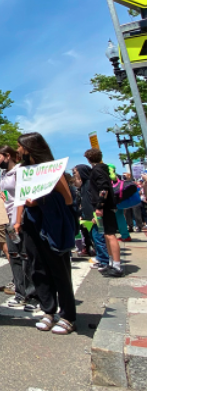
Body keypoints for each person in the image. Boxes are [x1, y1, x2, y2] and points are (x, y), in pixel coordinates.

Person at [18, 132, 77, 335]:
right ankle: (48, 310)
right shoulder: (25, 171)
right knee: (38, 268)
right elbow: (22, 198)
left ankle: (68, 315)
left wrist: (42, 198)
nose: (18, 151)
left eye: (20, 147)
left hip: (51, 224)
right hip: (32, 224)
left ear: (29, 148)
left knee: (59, 269)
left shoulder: (52, 170)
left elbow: (68, 199)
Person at [0, 145, 37, 311]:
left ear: (7, 156)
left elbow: (23, 196)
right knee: (14, 256)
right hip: (7, 221)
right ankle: (20, 293)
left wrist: (18, 220)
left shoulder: (20, 172)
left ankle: (32, 295)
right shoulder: (2, 175)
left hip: (20, 221)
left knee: (26, 257)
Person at [84, 149, 124, 277]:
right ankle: (112, 263)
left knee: (110, 235)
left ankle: (117, 265)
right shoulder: (103, 169)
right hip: (106, 206)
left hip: (105, 207)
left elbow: (103, 188)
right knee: (106, 234)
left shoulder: (97, 170)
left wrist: (100, 205)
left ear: (88, 159)